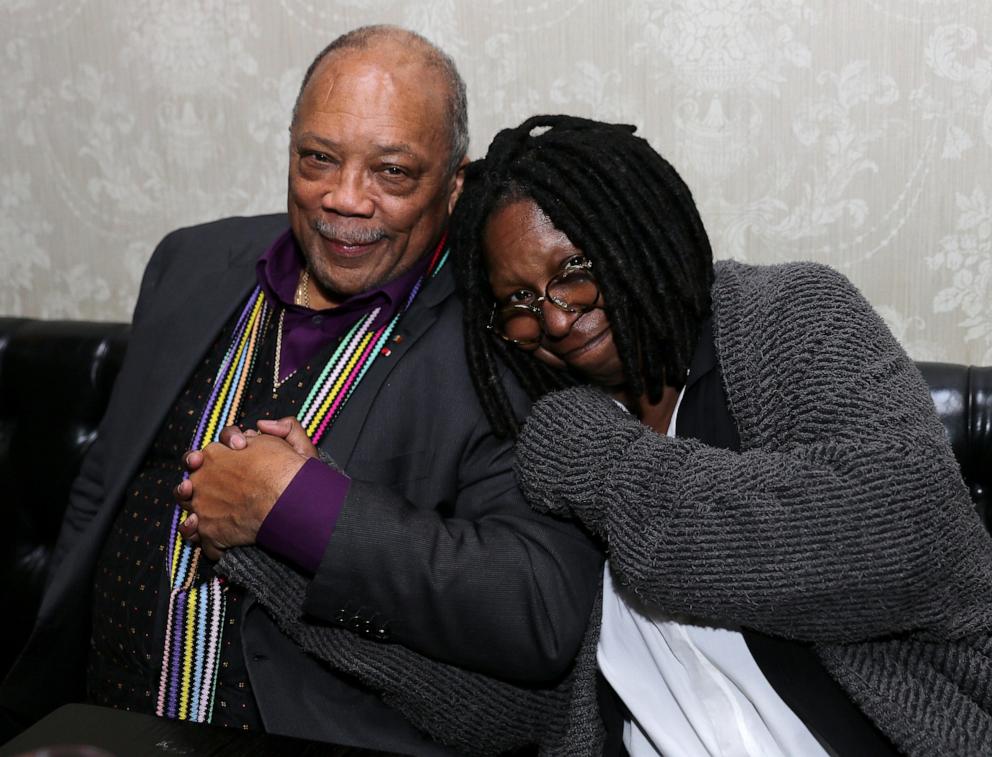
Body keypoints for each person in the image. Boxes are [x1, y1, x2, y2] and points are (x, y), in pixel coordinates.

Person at [0, 30, 601, 755]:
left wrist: (301, 508)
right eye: (318, 158)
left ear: (455, 185)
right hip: (96, 724)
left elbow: (537, 607)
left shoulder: (502, 337)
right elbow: (104, 484)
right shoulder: (189, 262)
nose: (344, 199)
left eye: (393, 172)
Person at [450, 114, 992, 756]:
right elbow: (516, 702)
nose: (559, 321)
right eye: (521, 303)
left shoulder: (788, 318)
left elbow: (913, 536)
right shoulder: (535, 432)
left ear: (638, 231)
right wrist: (306, 534)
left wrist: (606, 464)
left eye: (574, 270)